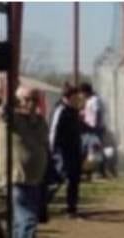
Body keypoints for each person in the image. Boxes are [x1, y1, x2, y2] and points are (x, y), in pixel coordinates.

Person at [9, 86, 50, 238]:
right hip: (20, 176)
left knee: (21, 221)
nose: (30, 103)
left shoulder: (40, 121)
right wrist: (8, 99)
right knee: (27, 219)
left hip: (35, 177)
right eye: (25, 99)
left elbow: (43, 141)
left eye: (34, 99)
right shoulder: (14, 120)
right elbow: (2, 113)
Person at [49, 84, 86, 218]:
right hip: (62, 151)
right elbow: (53, 131)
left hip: (74, 150)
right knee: (58, 178)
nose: (79, 99)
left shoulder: (73, 110)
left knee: (74, 179)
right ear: (69, 97)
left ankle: (72, 209)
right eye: (76, 96)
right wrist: (51, 150)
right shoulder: (60, 109)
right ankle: (41, 204)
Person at [78, 82, 106, 179]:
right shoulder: (89, 100)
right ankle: (90, 172)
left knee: (95, 150)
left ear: (85, 92)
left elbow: (97, 113)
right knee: (91, 150)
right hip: (90, 128)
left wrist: (95, 127)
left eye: (81, 93)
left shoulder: (94, 100)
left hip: (94, 129)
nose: (80, 96)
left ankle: (99, 171)